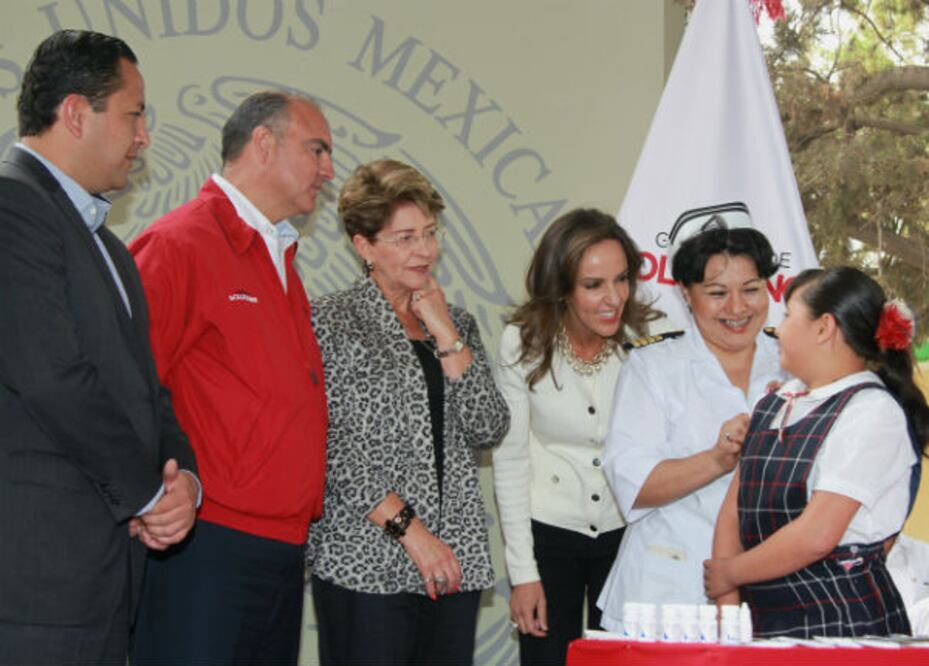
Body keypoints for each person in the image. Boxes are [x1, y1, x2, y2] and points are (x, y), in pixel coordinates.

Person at [0, 30, 198, 665]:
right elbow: (50, 376)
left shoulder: (110, 247)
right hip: (38, 585)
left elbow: (146, 388)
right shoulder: (12, 203)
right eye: (135, 113)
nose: (144, 137)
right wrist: (146, 493)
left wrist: (182, 482)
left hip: (105, 581)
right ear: (77, 113)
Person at [129, 91, 332, 663]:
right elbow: (130, 389)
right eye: (316, 149)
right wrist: (152, 502)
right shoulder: (178, 244)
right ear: (263, 144)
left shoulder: (280, 259)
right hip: (204, 548)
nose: (329, 170)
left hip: (282, 550)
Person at [309, 159, 510, 666]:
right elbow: (331, 447)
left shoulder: (455, 321)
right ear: (364, 246)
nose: (426, 250)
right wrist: (413, 535)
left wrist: (446, 334)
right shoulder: (330, 321)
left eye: (429, 233)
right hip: (366, 559)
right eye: (404, 238)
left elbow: (489, 426)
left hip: (454, 558)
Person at [704, 267, 928, 638]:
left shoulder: (872, 412)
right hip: (764, 624)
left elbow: (817, 535)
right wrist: (728, 618)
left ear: (824, 328)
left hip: (844, 627)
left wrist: (730, 572)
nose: (779, 329)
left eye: (789, 316)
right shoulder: (777, 402)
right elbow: (733, 512)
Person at [492, 209, 664, 664]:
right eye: (593, 285)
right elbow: (510, 462)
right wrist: (523, 574)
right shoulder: (522, 342)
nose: (613, 298)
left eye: (622, 279)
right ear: (561, 288)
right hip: (549, 535)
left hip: (627, 535)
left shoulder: (648, 339)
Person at [597, 216, 785, 631]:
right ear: (686, 294)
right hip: (668, 590)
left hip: (770, 590)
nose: (737, 308)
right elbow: (635, 484)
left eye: (751, 290)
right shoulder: (654, 366)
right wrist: (718, 459)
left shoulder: (794, 361)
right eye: (717, 293)